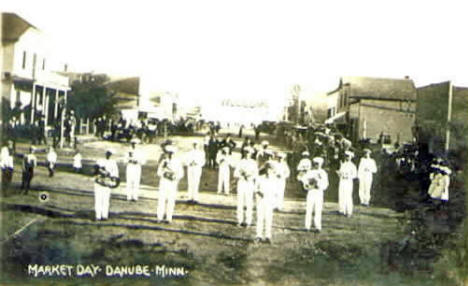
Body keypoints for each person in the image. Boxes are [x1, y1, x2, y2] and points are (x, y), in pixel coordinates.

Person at [299, 157, 329, 232]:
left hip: (319, 192)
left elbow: (326, 184)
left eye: (318, 164)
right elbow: (305, 181)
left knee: (318, 209)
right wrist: (308, 185)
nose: (317, 165)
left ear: (321, 164)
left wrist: (320, 185)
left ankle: (317, 226)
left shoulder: (323, 173)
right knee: (309, 209)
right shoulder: (310, 172)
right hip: (311, 191)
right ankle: (307, 226)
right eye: (315, 164)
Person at [157, 145, 184, 223]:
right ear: (167, 153)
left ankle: (169, 217)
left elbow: (181, 173)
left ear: (174, 153)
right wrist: (164, 174)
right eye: (169, 153)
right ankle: (159, 217)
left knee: (171, 200)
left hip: (172, 183)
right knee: (161, 199)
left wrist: (175, 177)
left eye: (172, 153)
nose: (171, 155)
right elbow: (158, 172)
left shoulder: (178, 162)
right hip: (164, 182)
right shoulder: (164, 161)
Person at [234, 147, 258, 227]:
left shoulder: (254, 163)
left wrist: (250, 177)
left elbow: (256, 174)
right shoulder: (240, 162)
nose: (247, 154)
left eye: (249, 153)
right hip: (241, 183)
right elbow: (235, 173)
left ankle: (248, 221)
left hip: (249, 183)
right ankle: (239, 220)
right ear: (244, 153)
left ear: (251, 154)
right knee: (240, 202)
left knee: (249, 202)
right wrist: (242, 176)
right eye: (246, 152)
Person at [94, 149, 119, 220]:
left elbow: (115, 174)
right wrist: (101, 172)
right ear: (106, 153)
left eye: (110, 154)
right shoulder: (100, 161)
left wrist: (111, 177)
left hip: (107, 183)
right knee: (98, 199)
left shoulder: (113, 163)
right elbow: (96, 170)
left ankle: (104, 215)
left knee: (106, 199)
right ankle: (98, 215)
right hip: (99, 182)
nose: (109, 155)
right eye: (108, 153)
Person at [254, 162, 277, 243]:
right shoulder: (260, 178)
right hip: (261, 200)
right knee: (260, 217)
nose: (269, 170)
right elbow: (255, 188)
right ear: (265, 169)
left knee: (268, 218)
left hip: (269, 200)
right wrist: (259, 192)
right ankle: (258, 236)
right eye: (268, 168)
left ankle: (268, 236)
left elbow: (276, 192)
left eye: (271, 169)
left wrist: (274, 201)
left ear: (273, 170)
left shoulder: (274, 180)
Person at [337, 151, 357, 217]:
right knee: (341, 195)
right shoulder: (343, 164)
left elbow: (354, 175)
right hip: (342, 181)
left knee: (348, 196)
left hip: (348, 181)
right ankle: (342, 210)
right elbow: (340, 172)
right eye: (346, 156)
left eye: (348, 156)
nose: (347, 157)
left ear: (351, 157)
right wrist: (339, 174)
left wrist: (348, 176)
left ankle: (349, 211)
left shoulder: (352, 166)